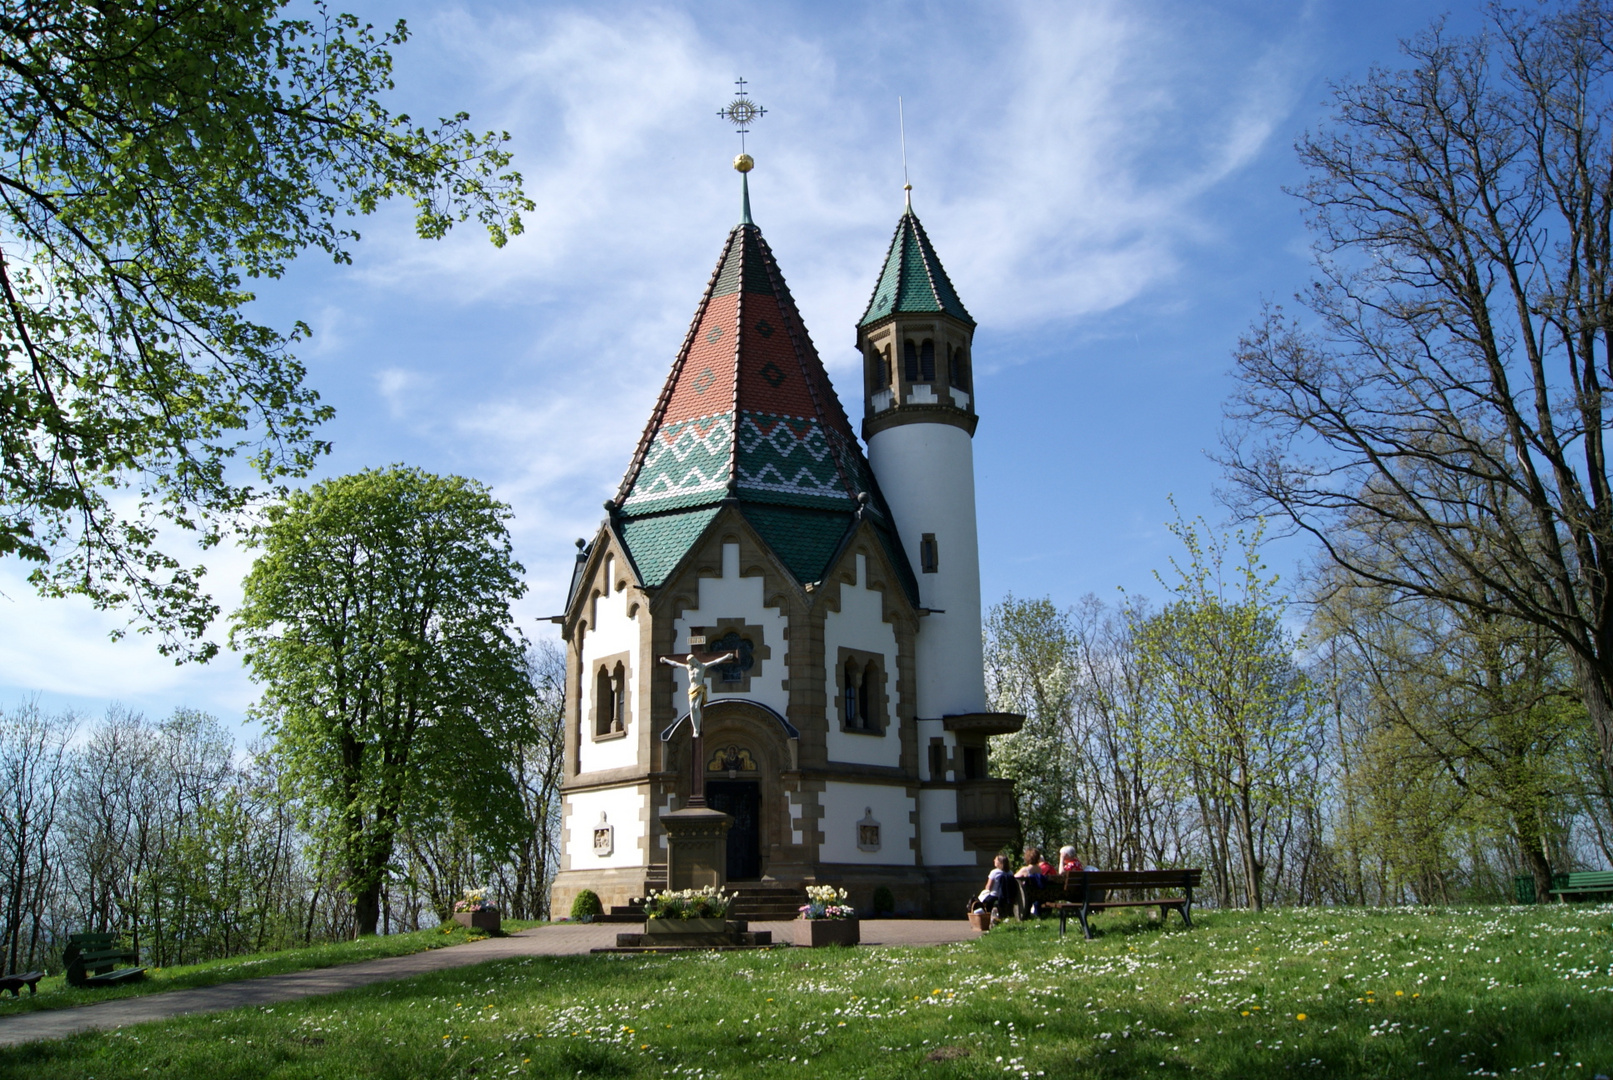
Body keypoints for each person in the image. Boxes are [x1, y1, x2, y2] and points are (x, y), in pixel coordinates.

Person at [971, 854, 1013, 924]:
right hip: (1006, 897)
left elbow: (988, 887)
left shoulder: (994, 872)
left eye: (995, 859)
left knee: (979, 901)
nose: (994, 860)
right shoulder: (1010, 873)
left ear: (999, 862)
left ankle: (984, 920)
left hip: (994, 896)